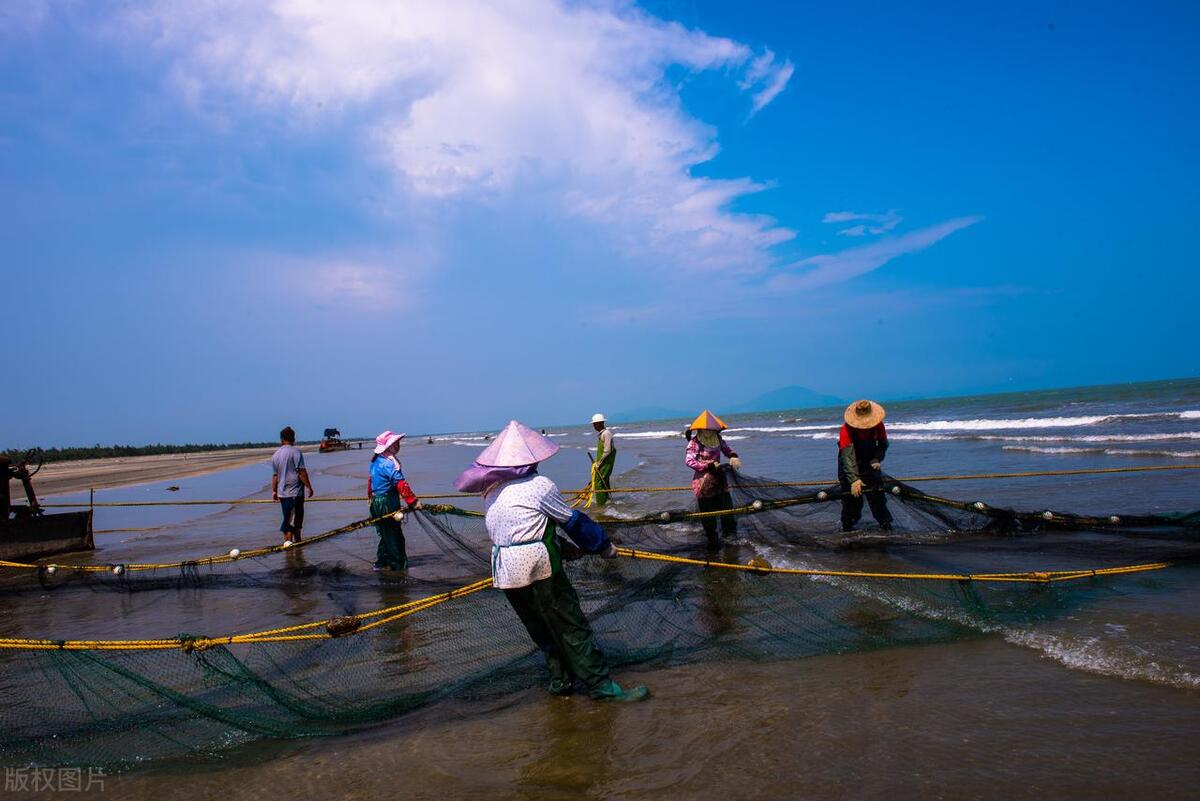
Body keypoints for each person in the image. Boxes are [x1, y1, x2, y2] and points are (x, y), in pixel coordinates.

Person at [455, 420, 649, 702]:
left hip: (506, 571)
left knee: (540, 628)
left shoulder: (491, 491)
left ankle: (561, 681)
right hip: (538, 566)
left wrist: (562, 547)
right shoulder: (540, 485)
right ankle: (601, 687)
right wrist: (604, 546)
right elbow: (573, 520)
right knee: (570, 625)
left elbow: (519, 528)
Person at [684, 410, 743, 549]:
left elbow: (727, 450)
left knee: (727, 509)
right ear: (701, 429)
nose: (709, 431)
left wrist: (733, 456)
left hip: (719, 480)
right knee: (708, 514)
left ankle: (730, 538)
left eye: (712, 429)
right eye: (707, 429)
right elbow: (689, 461)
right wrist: (707, 465)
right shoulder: (695, 442)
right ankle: (712, 539)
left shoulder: (718, 439)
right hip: (703, 482)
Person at [366, 430, 422, 571]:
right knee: (394, 536)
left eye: (398, 443)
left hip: (377, 502)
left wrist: (370, 498)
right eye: (394, 443)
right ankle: (398, 567)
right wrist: (414, 502)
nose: (397, 445)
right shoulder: (389, 464)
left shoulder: (376, 461)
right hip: (386, 504)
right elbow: (401, 484)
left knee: (385, 534)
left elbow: (371, 482)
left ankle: (381, 563)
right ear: (387, 447)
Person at [837, 399, 894, 532]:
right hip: (849, 464)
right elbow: (847, 456)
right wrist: (854, 480)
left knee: (877, 496)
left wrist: (877, 458)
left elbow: (883, 444)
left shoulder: (878, 425)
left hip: (869, 464)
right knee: (851, 499)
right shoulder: (846, 429)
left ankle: (886, 526)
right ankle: (847, 529)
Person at [271, 426, 313, 546]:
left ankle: (295, 550)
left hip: (282, 494)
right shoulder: (295, 452)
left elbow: (275, 476)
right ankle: (293, 550)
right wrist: (309, 487)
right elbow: (301, 472)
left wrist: (274, 492)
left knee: (289, 520)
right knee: (293, 524)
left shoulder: (275, 455)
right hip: (294, 494)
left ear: (281, 440)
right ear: (293, 439)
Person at [589, 413, 616, 507]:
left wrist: (598, 463)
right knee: (604, 481)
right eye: (593, 424)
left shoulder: (606, 434)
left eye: (595, 424)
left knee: (598, 483)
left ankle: (601, 505)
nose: (594, 426)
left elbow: (607, 451)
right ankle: (608, 502)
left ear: (600, 423)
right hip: (603, 462)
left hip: (606, 462)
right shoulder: (601, 434)